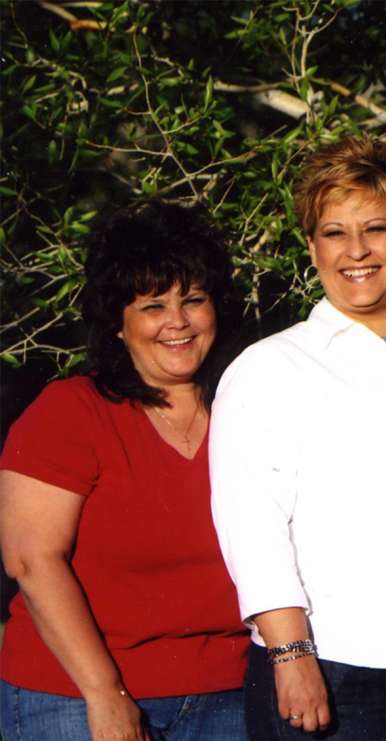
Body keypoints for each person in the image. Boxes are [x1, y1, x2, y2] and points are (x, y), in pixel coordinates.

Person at [209, 137, 386, 739]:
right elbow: (253, 526)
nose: (356, 251)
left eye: (375, 228)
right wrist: (290, 655)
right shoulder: (270, 367)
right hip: (331, 667)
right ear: (311, 247)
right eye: (334, 232)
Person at [0, 201, 249, 740]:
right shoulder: (70, 411)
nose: (177, 322)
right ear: (117, 322)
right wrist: (103, 693)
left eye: (194, 301)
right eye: (153, 306)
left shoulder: (250, 409)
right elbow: (31, 559)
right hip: (73, 693)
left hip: (228, 695)